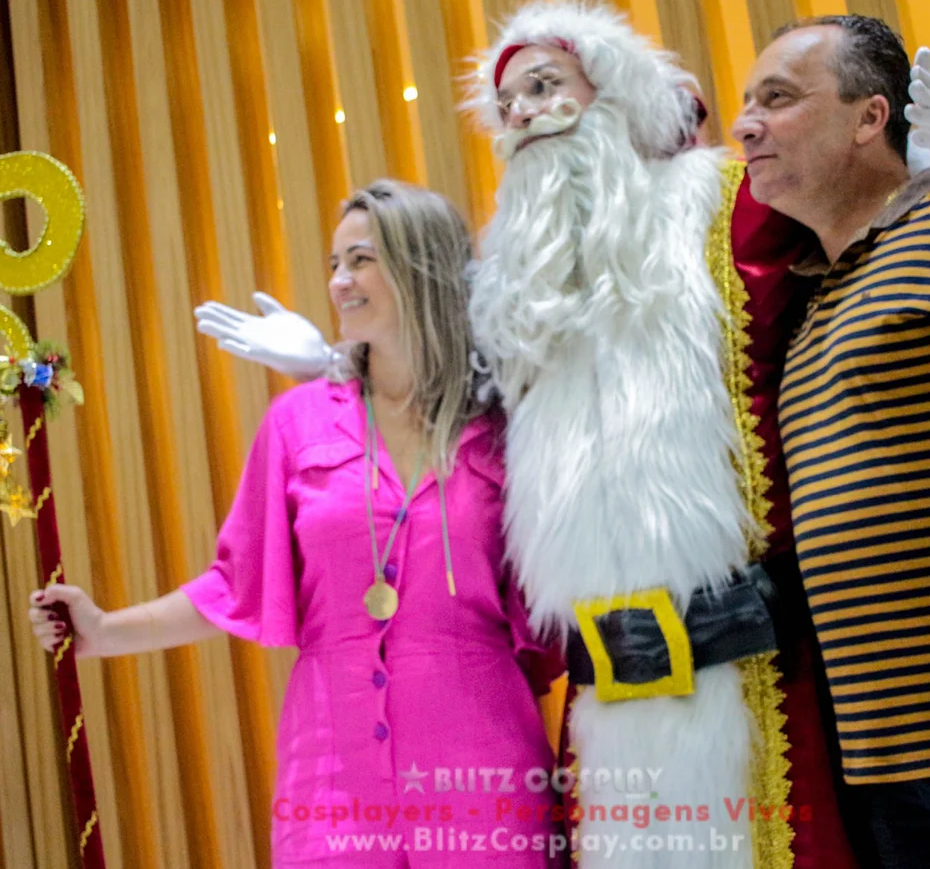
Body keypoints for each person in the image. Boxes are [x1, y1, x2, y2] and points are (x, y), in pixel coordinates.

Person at [191, 0, 930, 869]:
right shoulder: (513, 289)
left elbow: (857, 216)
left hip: (756, 676)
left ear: (614, 93)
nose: (520, 115)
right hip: (604, 695)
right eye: (506, 103)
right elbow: (442, 395)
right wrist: (334, 361)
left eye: (545, 87)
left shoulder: (723, 209)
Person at [29, 180, 567, 868]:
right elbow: (233, 585)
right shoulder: (297, 423)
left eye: (362, 260)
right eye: (334, 264)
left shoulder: (507, 427)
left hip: (481, 759)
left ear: (422, 267)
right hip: (330, 766)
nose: (340, 282)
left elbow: (562, 592)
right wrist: (102, 632)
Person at [733, 14, 930, 869]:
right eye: (747, 103)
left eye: (779, 99)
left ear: (871, 117)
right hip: (876, 755)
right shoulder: (812, 291)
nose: (749, 124)